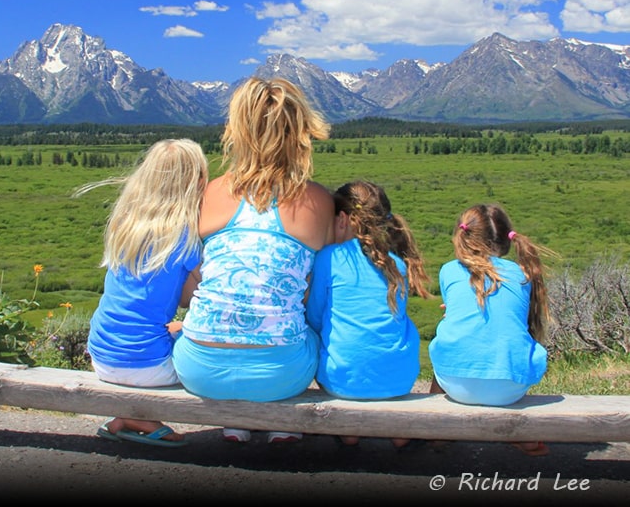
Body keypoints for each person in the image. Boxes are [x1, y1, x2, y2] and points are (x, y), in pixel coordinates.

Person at [172, 77, 335, 444]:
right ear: (300, 133)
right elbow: (315, 290)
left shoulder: (210, 193)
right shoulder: (318, 202)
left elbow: (196, 280)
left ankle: (236, 423)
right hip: (282, 371)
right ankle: (280, 419)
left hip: (199, 368)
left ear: (237, 130)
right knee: (305, 325)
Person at [72, 138, 208, 448]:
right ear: (197, 182)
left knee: (170, 328)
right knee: (214, 346)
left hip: (102, 354)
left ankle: (125, 416)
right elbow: (208, 293)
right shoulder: (186, 235)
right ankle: (140, 418)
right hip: (148, 367)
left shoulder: (124, 224)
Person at [305, 180, 432, 447]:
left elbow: (315, 317)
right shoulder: (396, 263)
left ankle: (349, 432)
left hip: (342, 381)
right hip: (399, 380)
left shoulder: (329, 258)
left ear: (343, 219)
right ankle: (396, 431)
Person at [428, 203, 554, 456]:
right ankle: (517, 434)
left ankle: (436, 431)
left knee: (448, 344)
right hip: (510, 390)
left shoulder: (449, 270)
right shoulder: (522, 273)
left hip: (456, 385)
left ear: (463, 234)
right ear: (507, 240)